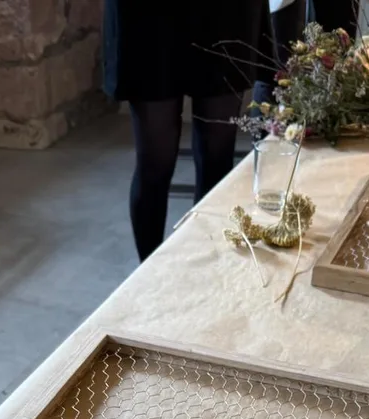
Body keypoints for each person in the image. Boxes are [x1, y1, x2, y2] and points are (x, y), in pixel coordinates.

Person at [104, 1, 276, 260]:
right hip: (148, 16)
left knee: (217, 158)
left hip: (225, 12)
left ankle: (209, 265)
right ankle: (150, 277)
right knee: (154, 162)